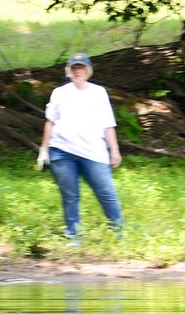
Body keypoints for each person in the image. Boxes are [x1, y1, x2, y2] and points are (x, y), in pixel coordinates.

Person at [37, 52, 124, 241]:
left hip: (93, 152)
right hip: (61, 151)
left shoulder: (98, 92)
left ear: (88, 70)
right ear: (68, 71)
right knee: (70, 196)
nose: (77, 71)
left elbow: (108, 124)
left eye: (81, 68)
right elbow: (50, 122)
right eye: (74, 68)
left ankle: (119, 234)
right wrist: (43, 151)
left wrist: (114, 150)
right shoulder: (59, 92)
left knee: (106, 192)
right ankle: (74, 237)